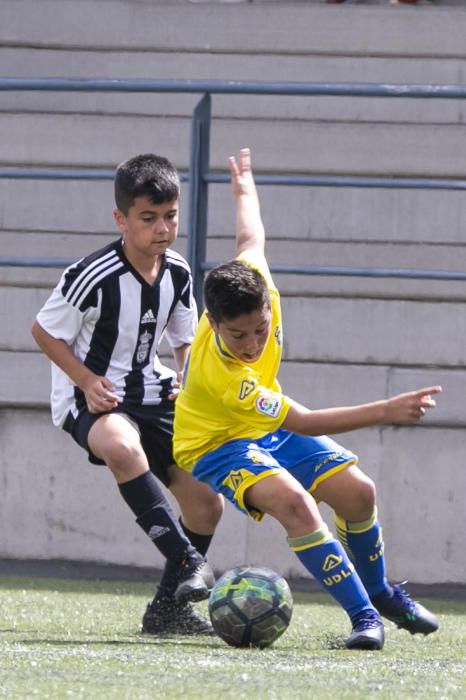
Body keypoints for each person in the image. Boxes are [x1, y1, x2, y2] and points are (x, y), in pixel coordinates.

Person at [173, 147, 441, 650]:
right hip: (213, 444)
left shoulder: (257, 285)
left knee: (359, 492)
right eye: (239, 336)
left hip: (261, 424)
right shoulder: (225, 375)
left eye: (261, 329)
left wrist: (244, 186)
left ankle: (382, 591)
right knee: (296, 504)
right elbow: (309, 420)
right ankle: (366, 619)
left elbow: (251, 238)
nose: (253, 343)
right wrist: (387, 410)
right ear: (212, 325)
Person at [31, 153, 224, 636]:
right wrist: (86, 380)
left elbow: (186, 339)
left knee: (207, 502)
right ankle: (184, 560)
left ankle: (166, 611)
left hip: (153, 391)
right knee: (121, 445)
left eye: (171, 216)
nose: (162, 228)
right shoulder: (92, 275)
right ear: (122, 219)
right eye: (148, 218)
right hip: (93, 397)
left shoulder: (178, 272)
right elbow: (43, 330)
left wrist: (187, 377)